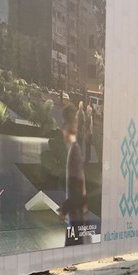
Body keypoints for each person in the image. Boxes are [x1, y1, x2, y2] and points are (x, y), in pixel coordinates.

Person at [58, 103, 88, 242]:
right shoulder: (72, 150)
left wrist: (64, 209)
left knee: (73, 244)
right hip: (76, 215)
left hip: (76, 217)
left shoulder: (74, 152)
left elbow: (78, 190)